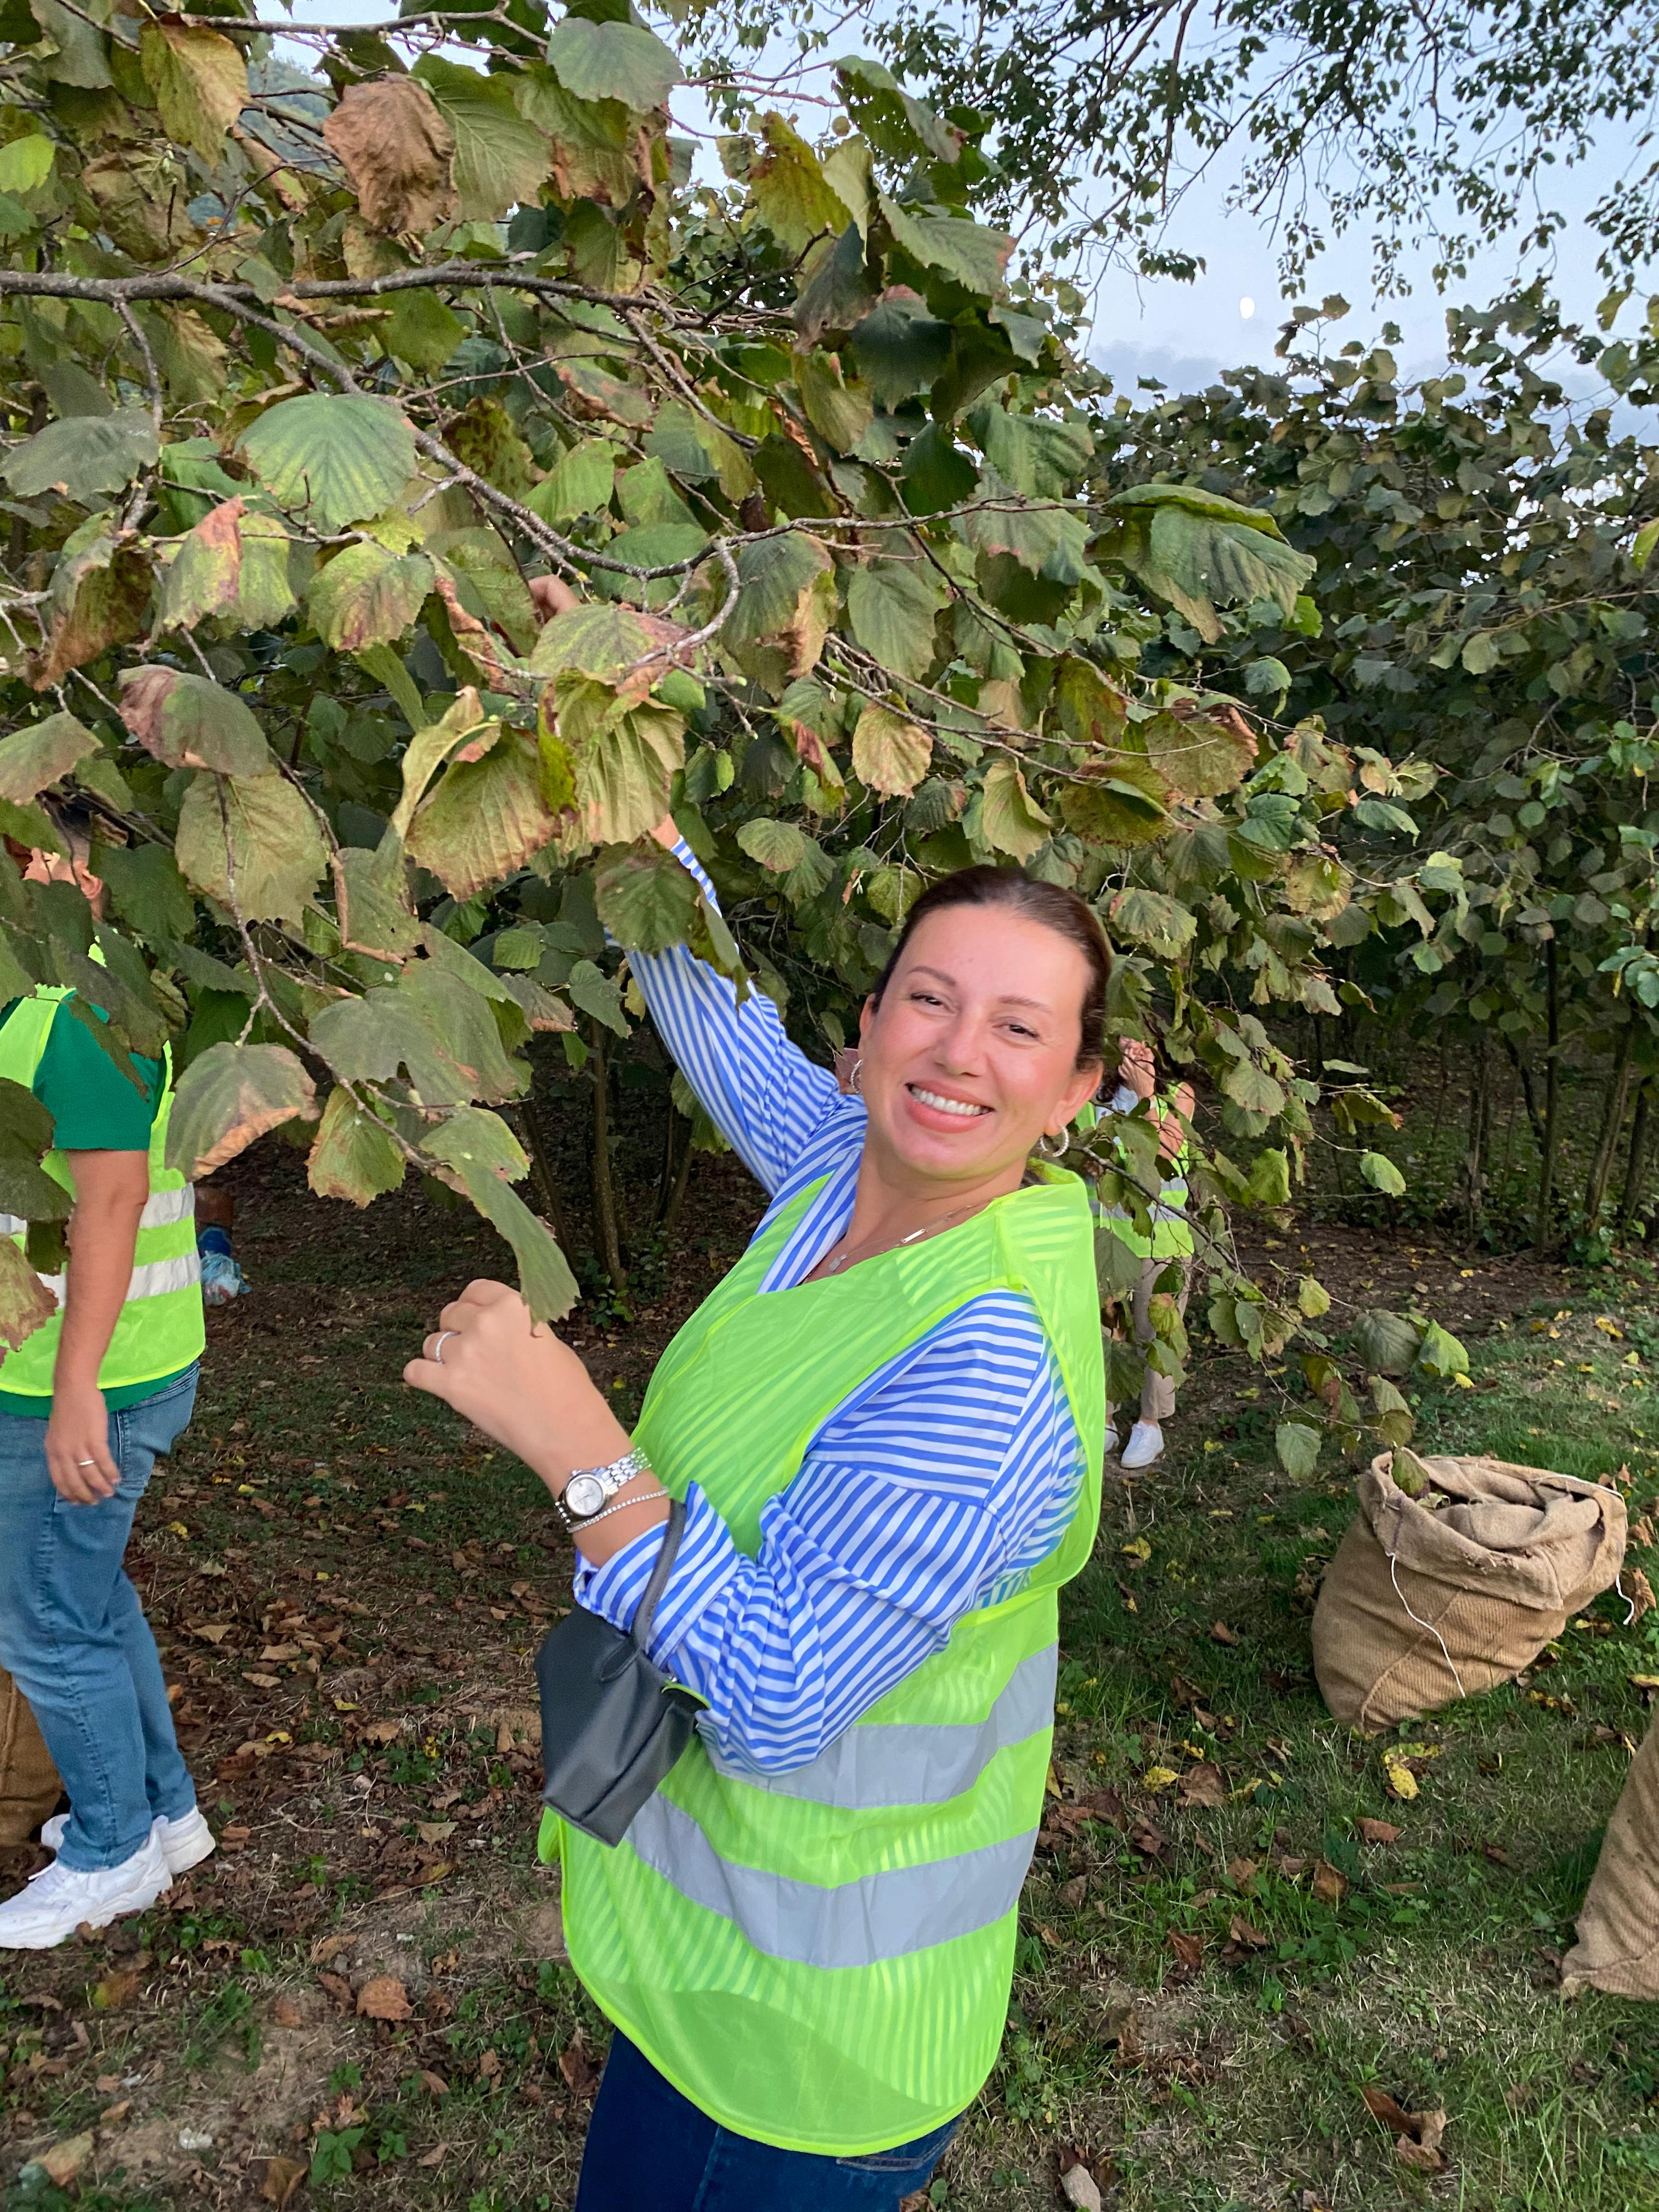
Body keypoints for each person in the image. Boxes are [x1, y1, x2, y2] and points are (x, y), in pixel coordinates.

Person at [406, 821, 1109, 2209]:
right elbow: (723, 1023)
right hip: (720, 1967)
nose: (959, 1052)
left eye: (1018, 1028)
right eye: (929, 998)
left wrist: (586, 1458)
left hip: (802, 2051)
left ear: (1076, 1089)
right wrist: (626, 799)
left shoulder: (990, 1367)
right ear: (870, 1030)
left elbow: (783, 1697)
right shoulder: (846, 1177)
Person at [0, 821, 212, 1949]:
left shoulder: (68, 1012)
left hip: (74, 1385)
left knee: (42, 1625)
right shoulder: (109, 989)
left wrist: (73, 1385)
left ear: (69, 868)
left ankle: (111, 1851)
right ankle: (165, 1815)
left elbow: (114, 1200)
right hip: (126, 1365)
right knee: (90, 1600)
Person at [1090, 1038, 1195, 1471]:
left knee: (1156, 1336)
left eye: (1145, 1043)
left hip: (1163, 1245)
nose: (1137, 1052)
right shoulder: (1090, 1097)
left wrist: (1148, 1093)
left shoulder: (1177, 1097)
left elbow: (1168, 1153)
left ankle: (1150, 1424)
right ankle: (1106, 1418)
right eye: (1127, 1044)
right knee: (1105, 1334)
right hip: (1106, 1243)